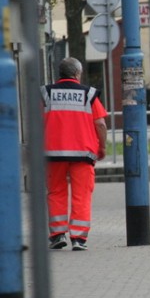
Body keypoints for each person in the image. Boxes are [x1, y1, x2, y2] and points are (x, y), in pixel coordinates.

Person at [41, 57, 107, 251]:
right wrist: (102, 147)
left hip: (53, 154)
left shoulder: (46, 94)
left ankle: (57, 234)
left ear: (59, 73)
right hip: (83, 154)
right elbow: (101, 124)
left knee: (56, 192)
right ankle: (78, 238)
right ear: (78, 73)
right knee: (82, 195)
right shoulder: (89, 94)